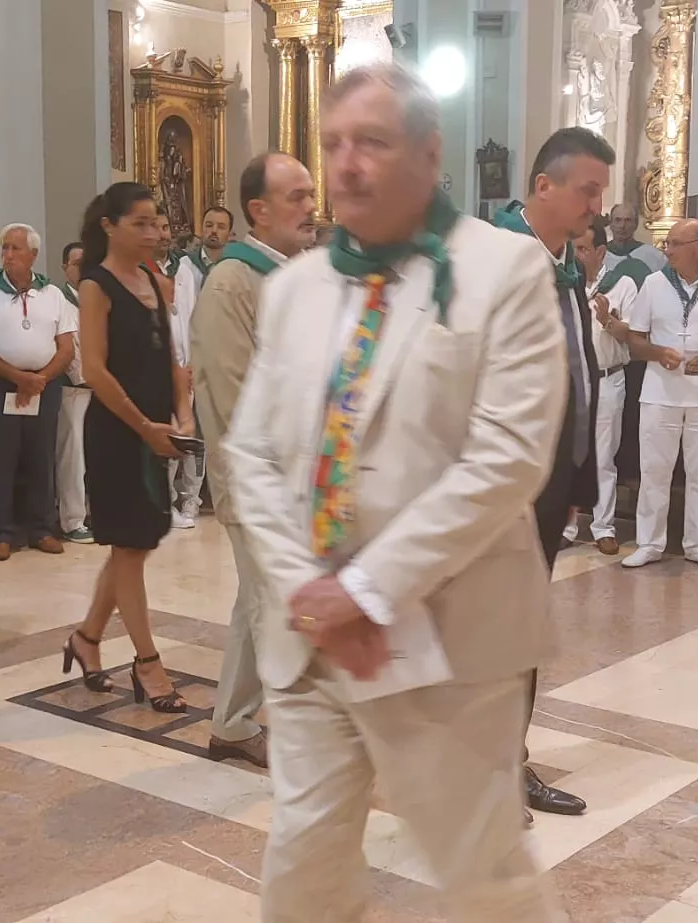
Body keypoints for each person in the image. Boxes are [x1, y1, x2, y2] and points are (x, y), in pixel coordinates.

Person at [228, 62, 566, 922]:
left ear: (429, 153)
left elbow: (507, 458)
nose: (346, 165)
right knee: (302, 869)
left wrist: (367, 591)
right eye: (334, 143)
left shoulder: (505, 270)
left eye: (371, 142)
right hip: (312, 640)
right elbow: (250, 453)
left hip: (445, 636)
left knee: (484, 875)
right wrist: (311, 590)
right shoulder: (294, 288)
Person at [493, 126, 609, 823]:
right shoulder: (500, 263)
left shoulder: (563, 265)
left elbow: (578, 377)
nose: (598, 205)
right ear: (544, 186)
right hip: (504, 486)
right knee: (494, 631)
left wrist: (577, 483)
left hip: (549, 481)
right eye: (587, 190)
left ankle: (510, 759)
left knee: (523, 629)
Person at [190, 150, 317, 770]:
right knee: (280, 608)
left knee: (258, 602)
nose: (312, 208)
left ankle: (233, 725)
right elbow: (235, 398)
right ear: (259, 211)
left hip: (299, 477)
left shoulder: (293, 277)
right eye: (298, 197)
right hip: (260, 482)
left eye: (311, 194)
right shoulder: (232, 283)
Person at [61, 182, 190, 716]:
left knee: (134, 545)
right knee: (131, 548)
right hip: (118, 434)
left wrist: (181, 415)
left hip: (156, 430)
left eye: (155, 221)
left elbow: (172, 360)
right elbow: (95, 370)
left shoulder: (156, 281)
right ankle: (147, 662)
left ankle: (87, 637)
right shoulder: (97, 285)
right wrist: (144, 427)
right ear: (109, 227)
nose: (153, 232)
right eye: (139, 223)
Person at [612, 217, 698, 570]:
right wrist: (658, 353)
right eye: (668, 243)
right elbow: (636, 338)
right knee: (654, 471)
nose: (667, 250)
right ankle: (649, 542)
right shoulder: (655, 284)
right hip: (660, 393)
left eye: (675, 243)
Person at [0, 223, 76, 560]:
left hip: (45, 386)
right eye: (5, 248)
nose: (8, 255)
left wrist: (39, 379)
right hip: (1, 386)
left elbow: (66, 348)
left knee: (41, 456)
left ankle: (42, 528)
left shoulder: (53, 294)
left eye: (15, 248)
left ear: (33, 255)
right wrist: (18, 377)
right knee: (2, 457)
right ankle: (0, 533)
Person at [562, 222, 641, 556]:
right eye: (574, 249)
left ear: (601, 252)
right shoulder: (567, 282)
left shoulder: (622, 285)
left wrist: (607, 319)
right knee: (568, 455)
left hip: (608, 378)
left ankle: (603, 527)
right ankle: (566, 526)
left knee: (603, 456)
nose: (577, 256)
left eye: (583, 250)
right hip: (572, 381)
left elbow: (633, 336)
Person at [168, 206, 231, 528]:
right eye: (209, 225)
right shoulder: (184, 267)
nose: (214, 231)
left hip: (224, 359)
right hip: (190, 361)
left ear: (230, 233)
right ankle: (179, 499)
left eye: (220, 226)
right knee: (183, 431)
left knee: (214, 433)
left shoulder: (235, 267)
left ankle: (203, 497)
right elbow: (184, 316)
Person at [54, 241, 94, 545]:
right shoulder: (58, 301)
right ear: (65, 267)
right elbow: (65, 348)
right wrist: (84, 377)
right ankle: (72, 519)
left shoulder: (98, 296)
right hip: (73, 389)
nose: (82, 268)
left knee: (96, 454)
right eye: (76, 263)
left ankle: (95, 511)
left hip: (101, 389)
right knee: (73, 456)